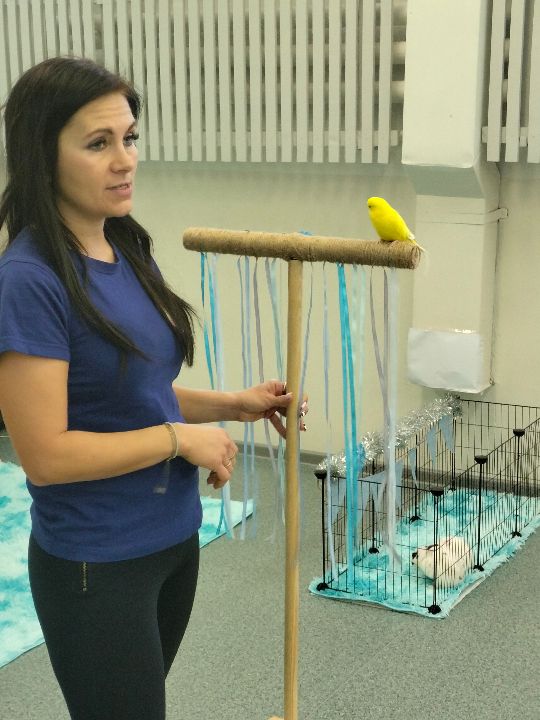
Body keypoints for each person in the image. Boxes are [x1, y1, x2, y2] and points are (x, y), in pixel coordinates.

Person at [0, 57, 305, 720]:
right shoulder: (29, 280)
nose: (125, 160)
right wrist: (180, 439)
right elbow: (45, 454)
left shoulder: (127, 248)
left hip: (172, 540)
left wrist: (235, 405)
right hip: (96, 563)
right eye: (97, 143)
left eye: (130, 138)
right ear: (42, 154)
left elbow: (135, 393)